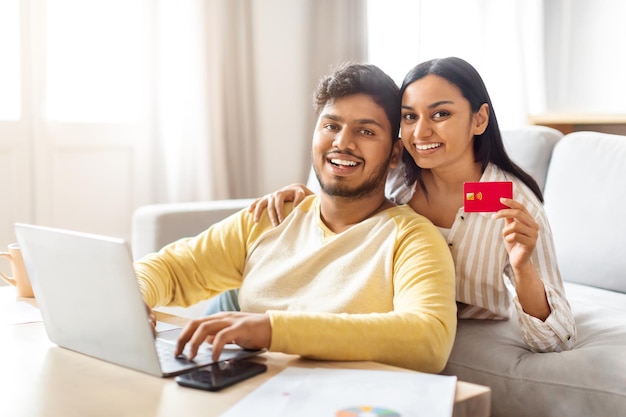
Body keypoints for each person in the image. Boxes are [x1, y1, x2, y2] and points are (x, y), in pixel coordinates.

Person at [231, 57, 576, 353]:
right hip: (362, 314)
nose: (420, 132)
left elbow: (557, 336)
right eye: (409, 117)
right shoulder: (395, 178)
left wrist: (522, 268)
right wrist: (301, 197)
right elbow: (336, 201)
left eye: (440, 114)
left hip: (424, 327)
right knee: (224, 306)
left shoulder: (512, 202)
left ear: (479, 120)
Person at [134, 63, 458, 373]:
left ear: (394, 154)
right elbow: (171, 269)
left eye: (366, 131)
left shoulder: (411, 237)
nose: (342, 143)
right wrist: (135, 303)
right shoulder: (271, 216)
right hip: (239, 392)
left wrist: (271, 330)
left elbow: (430, 339)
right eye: (331, 126)